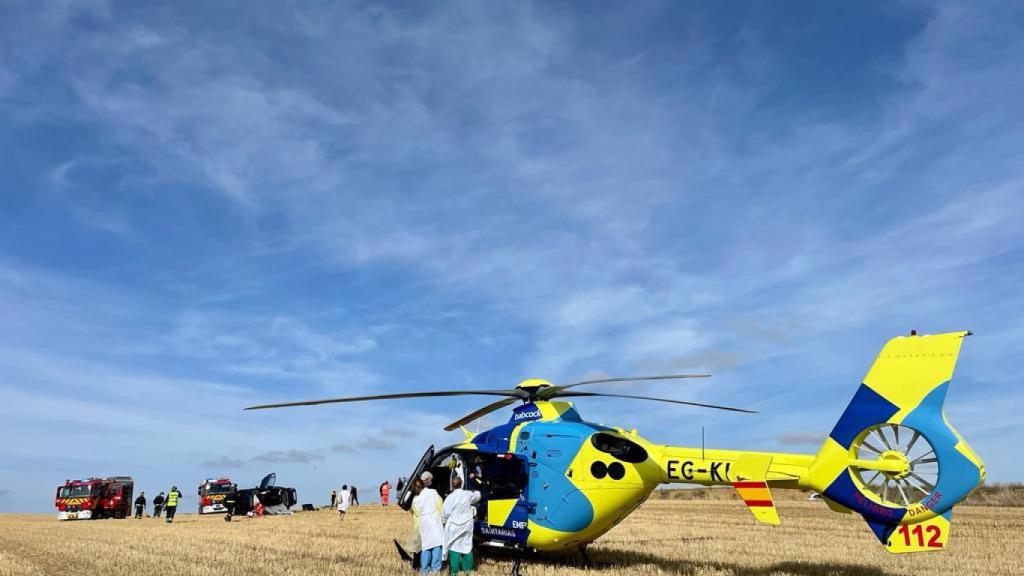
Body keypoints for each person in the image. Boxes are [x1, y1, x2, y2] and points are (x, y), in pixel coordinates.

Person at [443, 477, 481, 574]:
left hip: (454, 526)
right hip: (467, 525)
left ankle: (454, 572)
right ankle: (467, 571)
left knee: (454, 547)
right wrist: (474, 488)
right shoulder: (467, 494)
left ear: (452, 485)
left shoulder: (449, 498)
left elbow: (445, 514)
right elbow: (478, 495)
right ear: (462, 484)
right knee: (467, 546)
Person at [412, 474, 444, 574]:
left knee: (426, 547)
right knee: (437, 546)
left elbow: (416, 513)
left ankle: (424, 570)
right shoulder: (433, 492)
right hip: (435, 521)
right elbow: (440, 504)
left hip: (424, 523)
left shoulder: (416, 499)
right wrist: (442, 519)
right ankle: (435, 570)